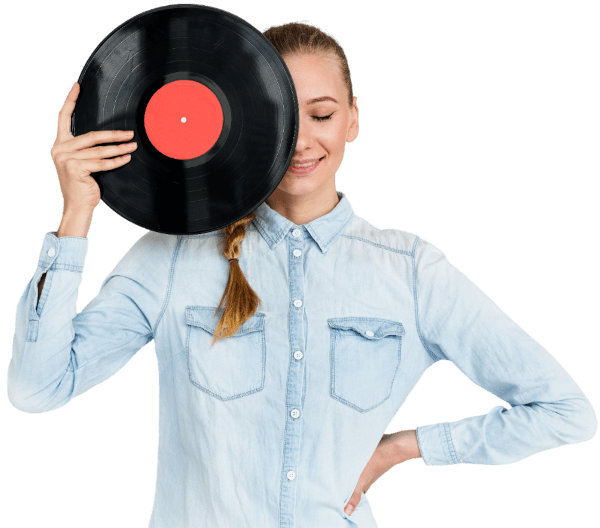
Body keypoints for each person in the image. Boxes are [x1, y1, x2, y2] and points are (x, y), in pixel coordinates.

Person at [8, 19, 596, 528]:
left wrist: (405, 448)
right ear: (242, 122)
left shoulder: (411, 271)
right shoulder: (172, 253)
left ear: (353, 121)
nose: (300, 139)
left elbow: (566, 413)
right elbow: (38, 390)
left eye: (321, 114)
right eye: (278, 115)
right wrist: (77, 213)